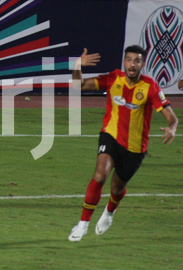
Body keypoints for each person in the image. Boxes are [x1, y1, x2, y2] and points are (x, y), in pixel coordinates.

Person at [68, 45, 177, 242]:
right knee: (100, 175)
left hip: (135, 148)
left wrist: (172, 127)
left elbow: (171, 116)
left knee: (117, 188)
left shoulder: (150, 86)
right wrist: (77, 65)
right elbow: (78, 85)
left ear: (142, 64)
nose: (132, 64)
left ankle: (109, 211)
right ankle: (82, 224)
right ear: (124, 62)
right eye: (129, 59)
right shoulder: (113, 78)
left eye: (137, 60)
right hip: (110, 136)